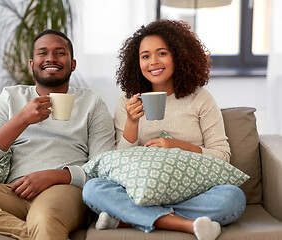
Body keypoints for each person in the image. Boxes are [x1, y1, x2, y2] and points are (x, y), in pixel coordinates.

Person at [0, 29, 116, 240]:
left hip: (64, 190)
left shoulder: (92, 103)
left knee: (46, 217)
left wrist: (56, 175)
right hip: (12, 191)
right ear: (32, 64)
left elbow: (103, 168)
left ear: (73, 64)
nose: (51, 58)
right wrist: (21, 119)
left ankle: (39, 228)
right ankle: (28, 234)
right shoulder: (9, 97)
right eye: (43, 53)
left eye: (60, 53)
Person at [82, 19, 246, 240]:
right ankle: (187, 225)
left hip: (192, 192)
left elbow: (222, 156)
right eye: (145, 56)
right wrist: (132, 122)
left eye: (162, 53)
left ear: (178, 56)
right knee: (93, 189)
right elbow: (118, 162)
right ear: (136, 62)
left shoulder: (201, 99)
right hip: (140, 191)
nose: (153, 62)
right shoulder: (127, 100)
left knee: (233, 197)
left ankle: (127, 218)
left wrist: (179, 147)